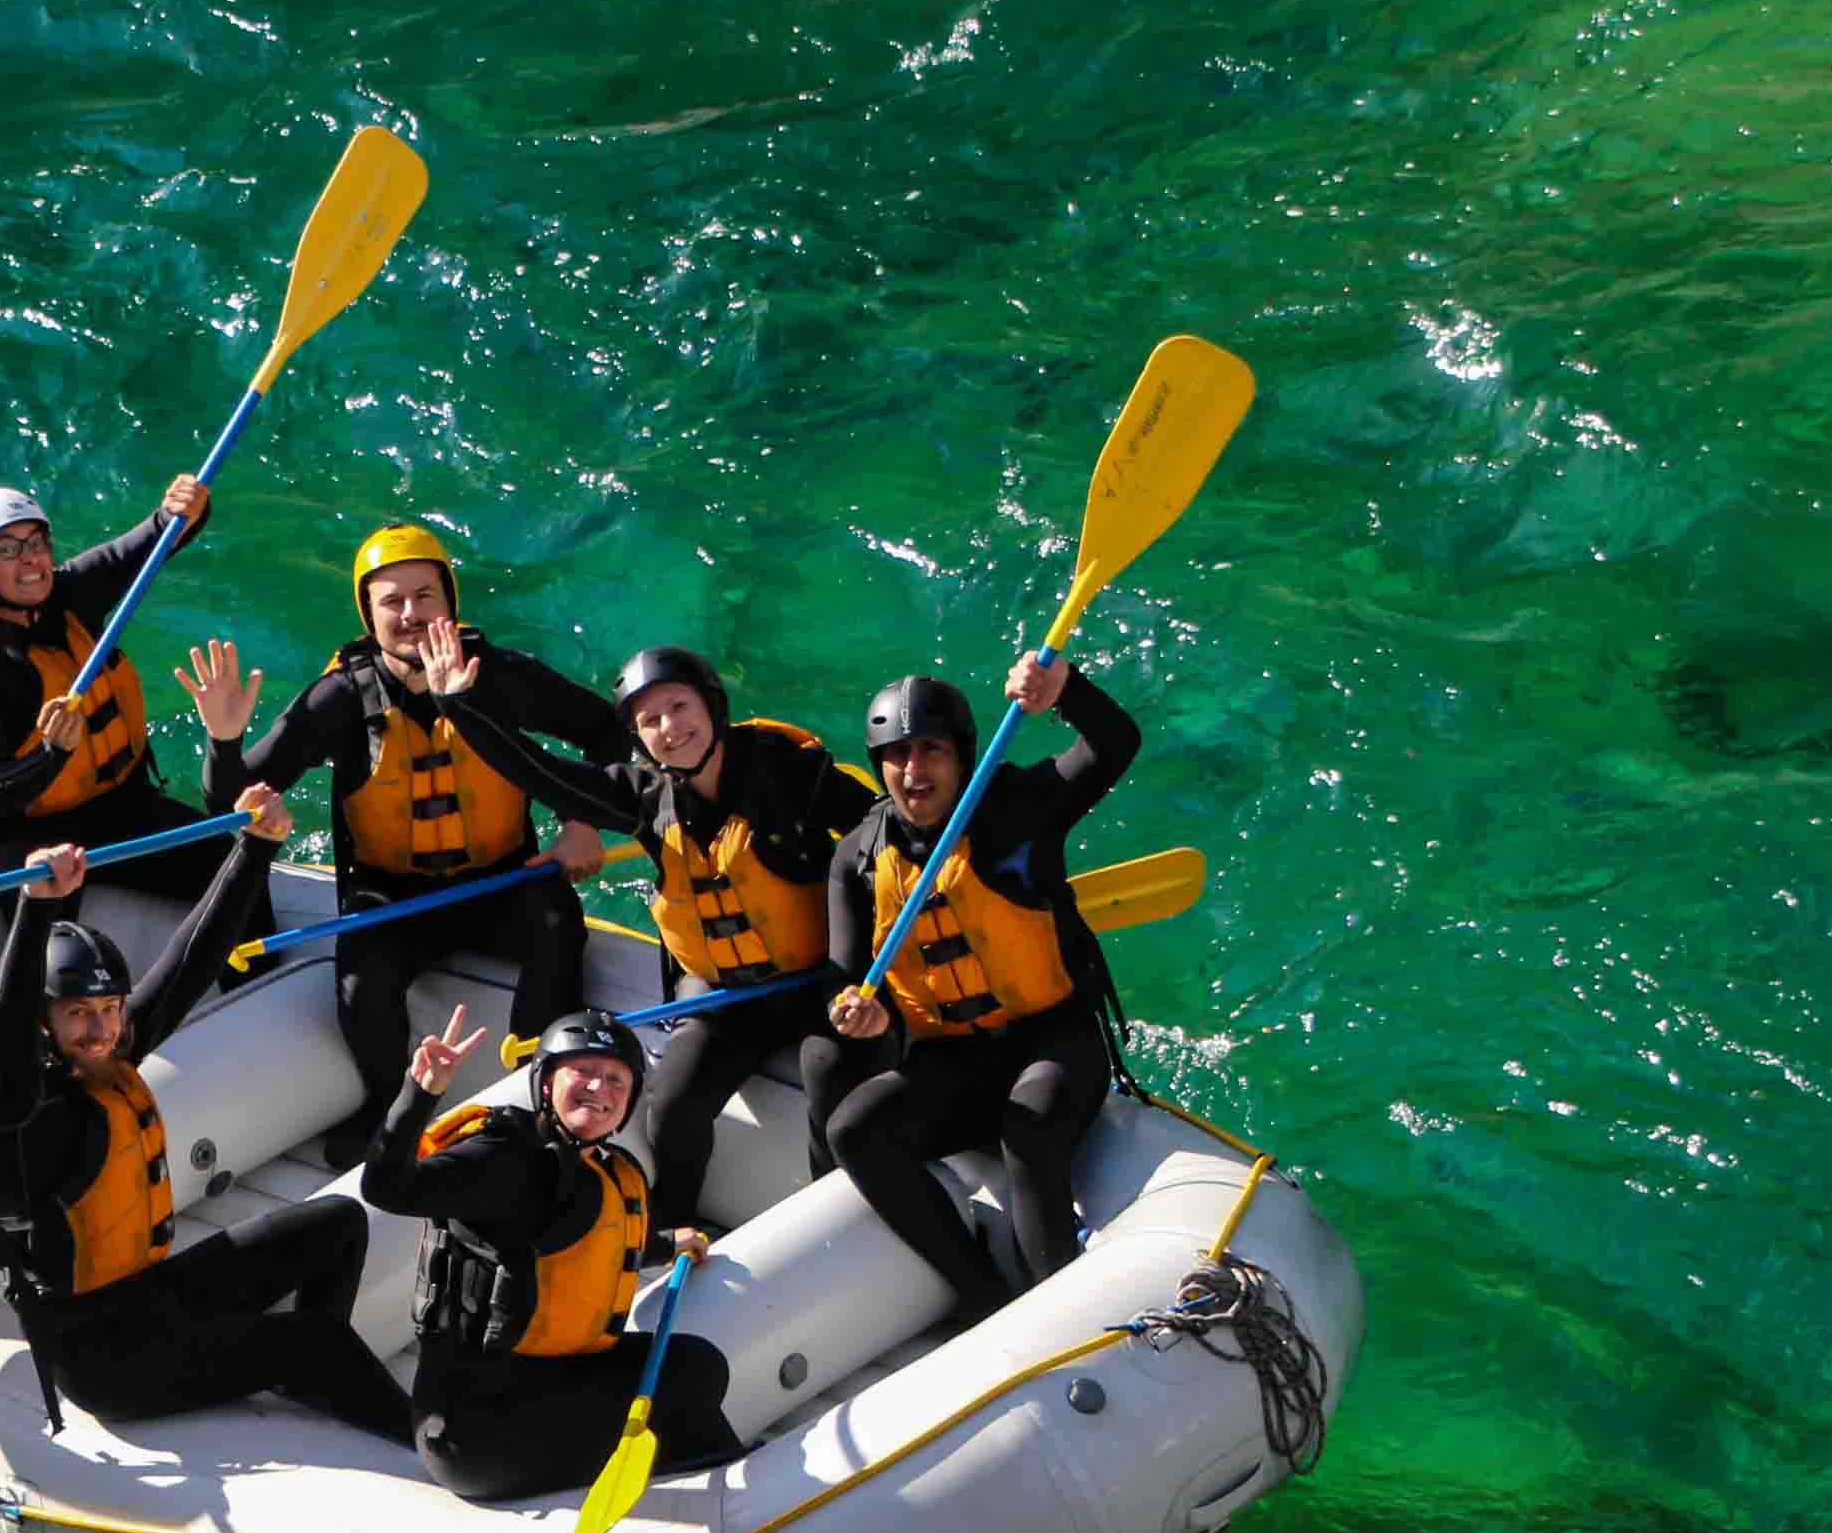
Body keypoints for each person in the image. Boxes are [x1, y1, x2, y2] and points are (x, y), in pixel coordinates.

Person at [0, 788, 411, 1442]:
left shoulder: (108, 1053)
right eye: (78, 1013)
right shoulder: (13, 1116)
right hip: (106, 1364)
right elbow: (5, 1016)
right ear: (43, 1022)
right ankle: (408, 1434)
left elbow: (190, 961)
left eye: (109, 1008)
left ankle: (315, 1369)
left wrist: (254, 850)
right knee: (307, 1342)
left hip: (153, 1299)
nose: (101, 1028)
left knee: (337, 1224)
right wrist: (37, 908)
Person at [182, 524, 627, 1164]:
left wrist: (578, 821)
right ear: (369, 616)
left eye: (425, 596)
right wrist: (223, 741)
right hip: (392, 897)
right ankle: (383, 1107)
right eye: (392, 602)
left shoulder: (496, 678)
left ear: (450, 602)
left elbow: (604, 731)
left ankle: (532, 1102)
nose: (412, 615)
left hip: (501, 881)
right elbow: (234, 799)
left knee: (559, 923)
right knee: (364, 983)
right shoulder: (340, 699)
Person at [409, 627, 876, 1227]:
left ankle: (826, 1217)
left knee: (828, 1072)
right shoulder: (645, 800)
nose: (669, 728)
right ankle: (669, 1228)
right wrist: (461, 708)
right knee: (672, 1102)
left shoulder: (790, 772)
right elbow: (542, 772)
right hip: (726, 996)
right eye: (649, 720)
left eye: (680, 707)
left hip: (819, 984)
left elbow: (883, 833)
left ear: (712, 706)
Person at [803, 653, 1141, 1321]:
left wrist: (1064, 690)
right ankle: (979, 1295)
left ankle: (1058, 1317)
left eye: (931, 750)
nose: (913, 770)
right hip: (953, 1061)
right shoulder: (859, 859)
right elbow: (842, 980)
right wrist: (855, 1014)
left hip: (1055, 1042)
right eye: (897, 755)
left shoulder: (1019, 806)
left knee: (1030, 1127)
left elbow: (1114, 744)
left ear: (962, 756)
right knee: (855, 1130)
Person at [360, 1005, 734, 1503]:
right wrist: (419, 1094)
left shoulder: (601, 1166)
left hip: (550, 1377)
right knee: (678, 1424)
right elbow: (388, 1188)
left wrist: (666, 1245)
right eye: (582, 1071)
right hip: (475, 1432)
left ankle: (712, 1473)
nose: (600, 1089)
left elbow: (587, 1246)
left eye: (616, 1080)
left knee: (697, 1366)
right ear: (544, 1083)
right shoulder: (502, 1157)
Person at [0, 480, 263, 921]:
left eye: (37, 543)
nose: (30, 559)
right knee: (53, 939)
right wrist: (52, 753)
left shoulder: (70, 593)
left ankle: (254, 973)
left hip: (119, 808)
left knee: (232, 863)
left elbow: (155, 539)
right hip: (31, 834)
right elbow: (0, 792)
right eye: (6, 550)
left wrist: (185, 509)